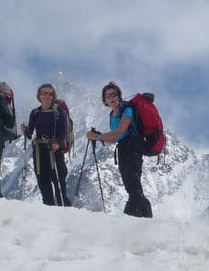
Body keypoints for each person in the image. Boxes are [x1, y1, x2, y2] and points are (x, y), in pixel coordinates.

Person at [85, 82, 152, 218]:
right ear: (104, 100)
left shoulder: (127, 110)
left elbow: (120, 131)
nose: (111, 97)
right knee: (132, 187)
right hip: (123, 149)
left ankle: (138, 219)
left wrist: (98, 136)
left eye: (114, 94)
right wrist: (99, 137)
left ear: (119, 95)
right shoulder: (112, 114)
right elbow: (114, 139)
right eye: (108, 95)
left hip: (133, 148)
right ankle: (141, 218)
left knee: (133, 186)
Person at [20, 83, 72, 206]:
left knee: (58, 181)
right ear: (39, 95)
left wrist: (58, 144)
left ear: (53, 95)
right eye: (44, 93)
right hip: (39, 150)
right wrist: (25, 129)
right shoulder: (35, 112)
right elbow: (30, 133)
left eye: (50, 93)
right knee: (43, 181)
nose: (47, 96)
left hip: (54, 149)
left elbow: (63, 130)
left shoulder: (59, 111)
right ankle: (49, 209)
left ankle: (65, 209)